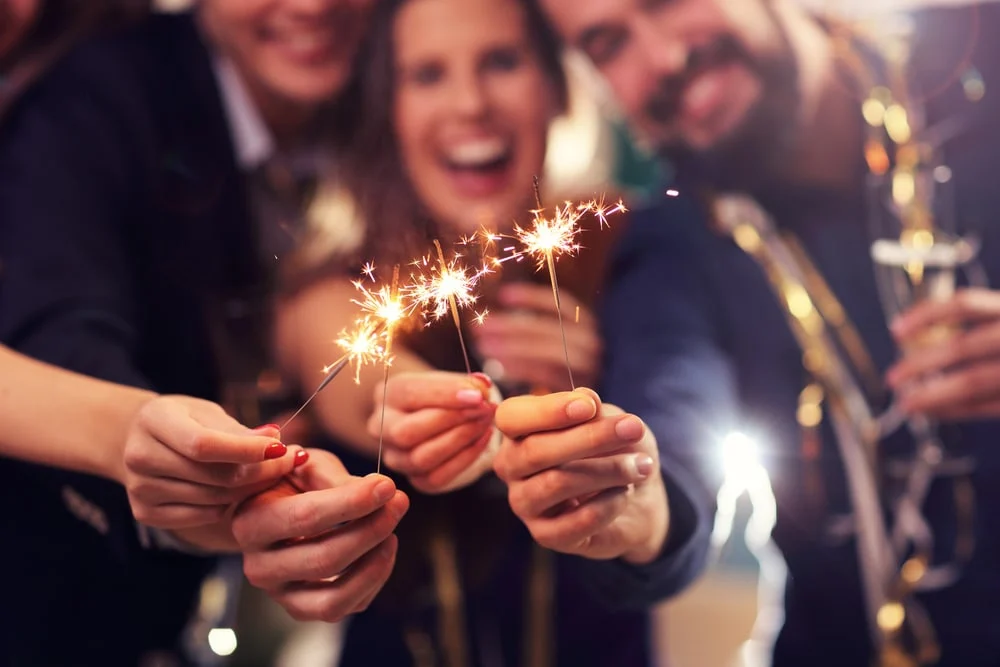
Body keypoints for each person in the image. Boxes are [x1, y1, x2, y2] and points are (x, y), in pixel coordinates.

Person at [513, 0, 1000, 665]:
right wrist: (630, 504)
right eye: (607, 45)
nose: (663, 59)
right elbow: (668, 431)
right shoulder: (676, 247)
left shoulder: (982, 54)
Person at [0, 1, 409, 663]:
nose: (313, 4)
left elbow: (318, 300)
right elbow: (60, 317)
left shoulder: (386, 78)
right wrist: (141, 441)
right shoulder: (100, 95)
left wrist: (404, 391)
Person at [272, 0, 675, 664]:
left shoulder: (627, 247)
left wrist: (601, 391)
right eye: (427, 74)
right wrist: (429, 406)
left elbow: (676, 453)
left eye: (502, 61)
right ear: (387, 109)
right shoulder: (344, 287)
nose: (470, 104)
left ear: (556, 85)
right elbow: (334, 348)